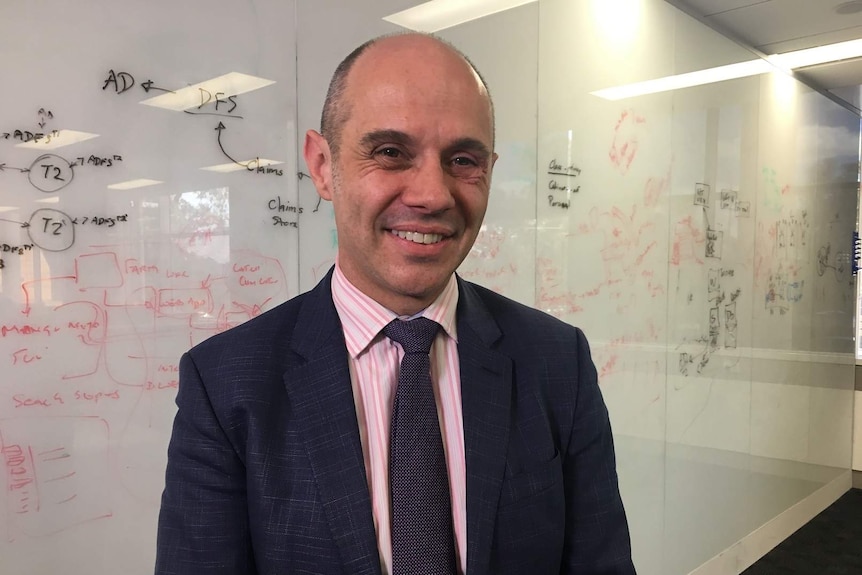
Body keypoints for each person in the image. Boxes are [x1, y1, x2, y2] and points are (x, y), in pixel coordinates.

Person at [155, 32, 635, 575]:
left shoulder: (556, 360)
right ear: (321, 165)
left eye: (462, 158)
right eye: (390, 152)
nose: (432, 194)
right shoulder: (225, 384)